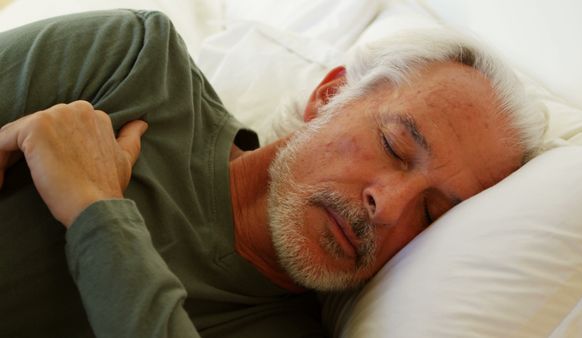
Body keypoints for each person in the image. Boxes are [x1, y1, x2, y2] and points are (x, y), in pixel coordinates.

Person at [0, 9, 545, 338]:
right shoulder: (132, 65)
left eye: (432, 215)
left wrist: (96, 211)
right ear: (330, 97)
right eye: (394, 146)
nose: (391, 206)